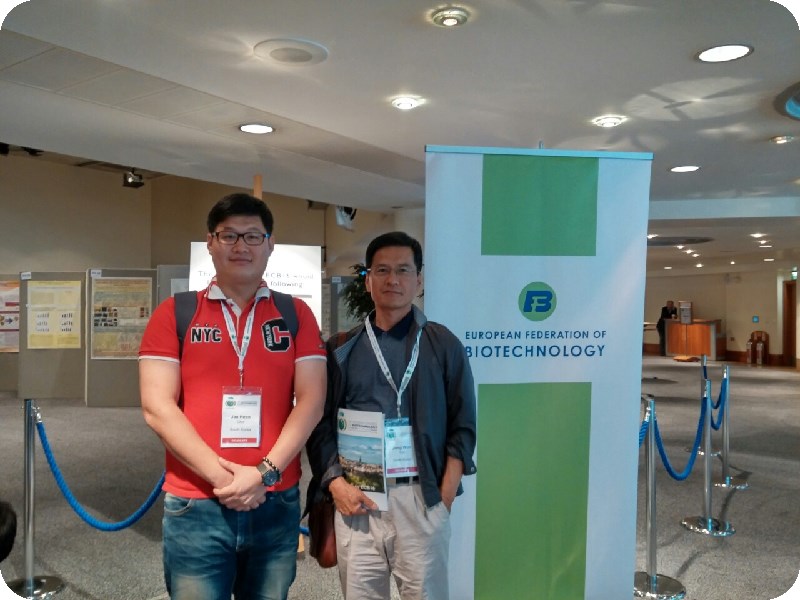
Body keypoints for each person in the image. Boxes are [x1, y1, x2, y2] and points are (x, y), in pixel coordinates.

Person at [139, 193, 326, 600]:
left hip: (274, 498)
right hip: (197, 503)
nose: (241, 246)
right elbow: (157, 408)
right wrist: (226, 480)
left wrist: (262, 474)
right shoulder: (174, 313)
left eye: (253, 236)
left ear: (270, 245)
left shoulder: (296, 314)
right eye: (229, 235)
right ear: (210, 242)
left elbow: (312, 401)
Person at [306, 231, 477, 600]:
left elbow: (463, 427)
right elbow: (319, 425)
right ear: (368, 280)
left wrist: (443, 499)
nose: (392, 279)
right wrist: (336, 485)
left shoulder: (443, 345)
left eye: (403, 270)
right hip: (358, 496)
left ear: (419, 280)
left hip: (420, 497)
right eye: (381, 270)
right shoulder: (341, 348)